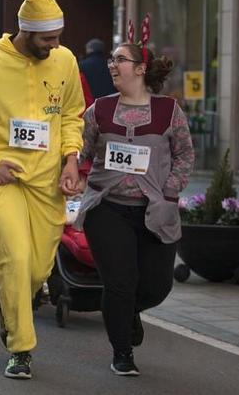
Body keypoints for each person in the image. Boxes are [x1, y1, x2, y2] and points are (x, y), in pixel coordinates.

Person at [0, 0, 84, 379]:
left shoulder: (65, 61)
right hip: (1, 181)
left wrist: (71, 160)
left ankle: (10, 307)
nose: (55, 45)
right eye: (48, 38)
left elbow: (72, 115)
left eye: (58, 37)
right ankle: (21, 350)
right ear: (25, 31)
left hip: (47, 183)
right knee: (15, 259)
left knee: (36, 272)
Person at [74, 28, 194, 376]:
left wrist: (170, 192)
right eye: (111, 59)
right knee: (119, 283)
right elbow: (80, 150)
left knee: (157, 286)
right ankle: (122, 351)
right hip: (107, 207)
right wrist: (75, 171)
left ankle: (127, 313)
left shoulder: (168, 111)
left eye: (120, 59)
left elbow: (185, 155)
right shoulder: (99, 110)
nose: (112, 65)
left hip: (155, 211)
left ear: (141, 69)